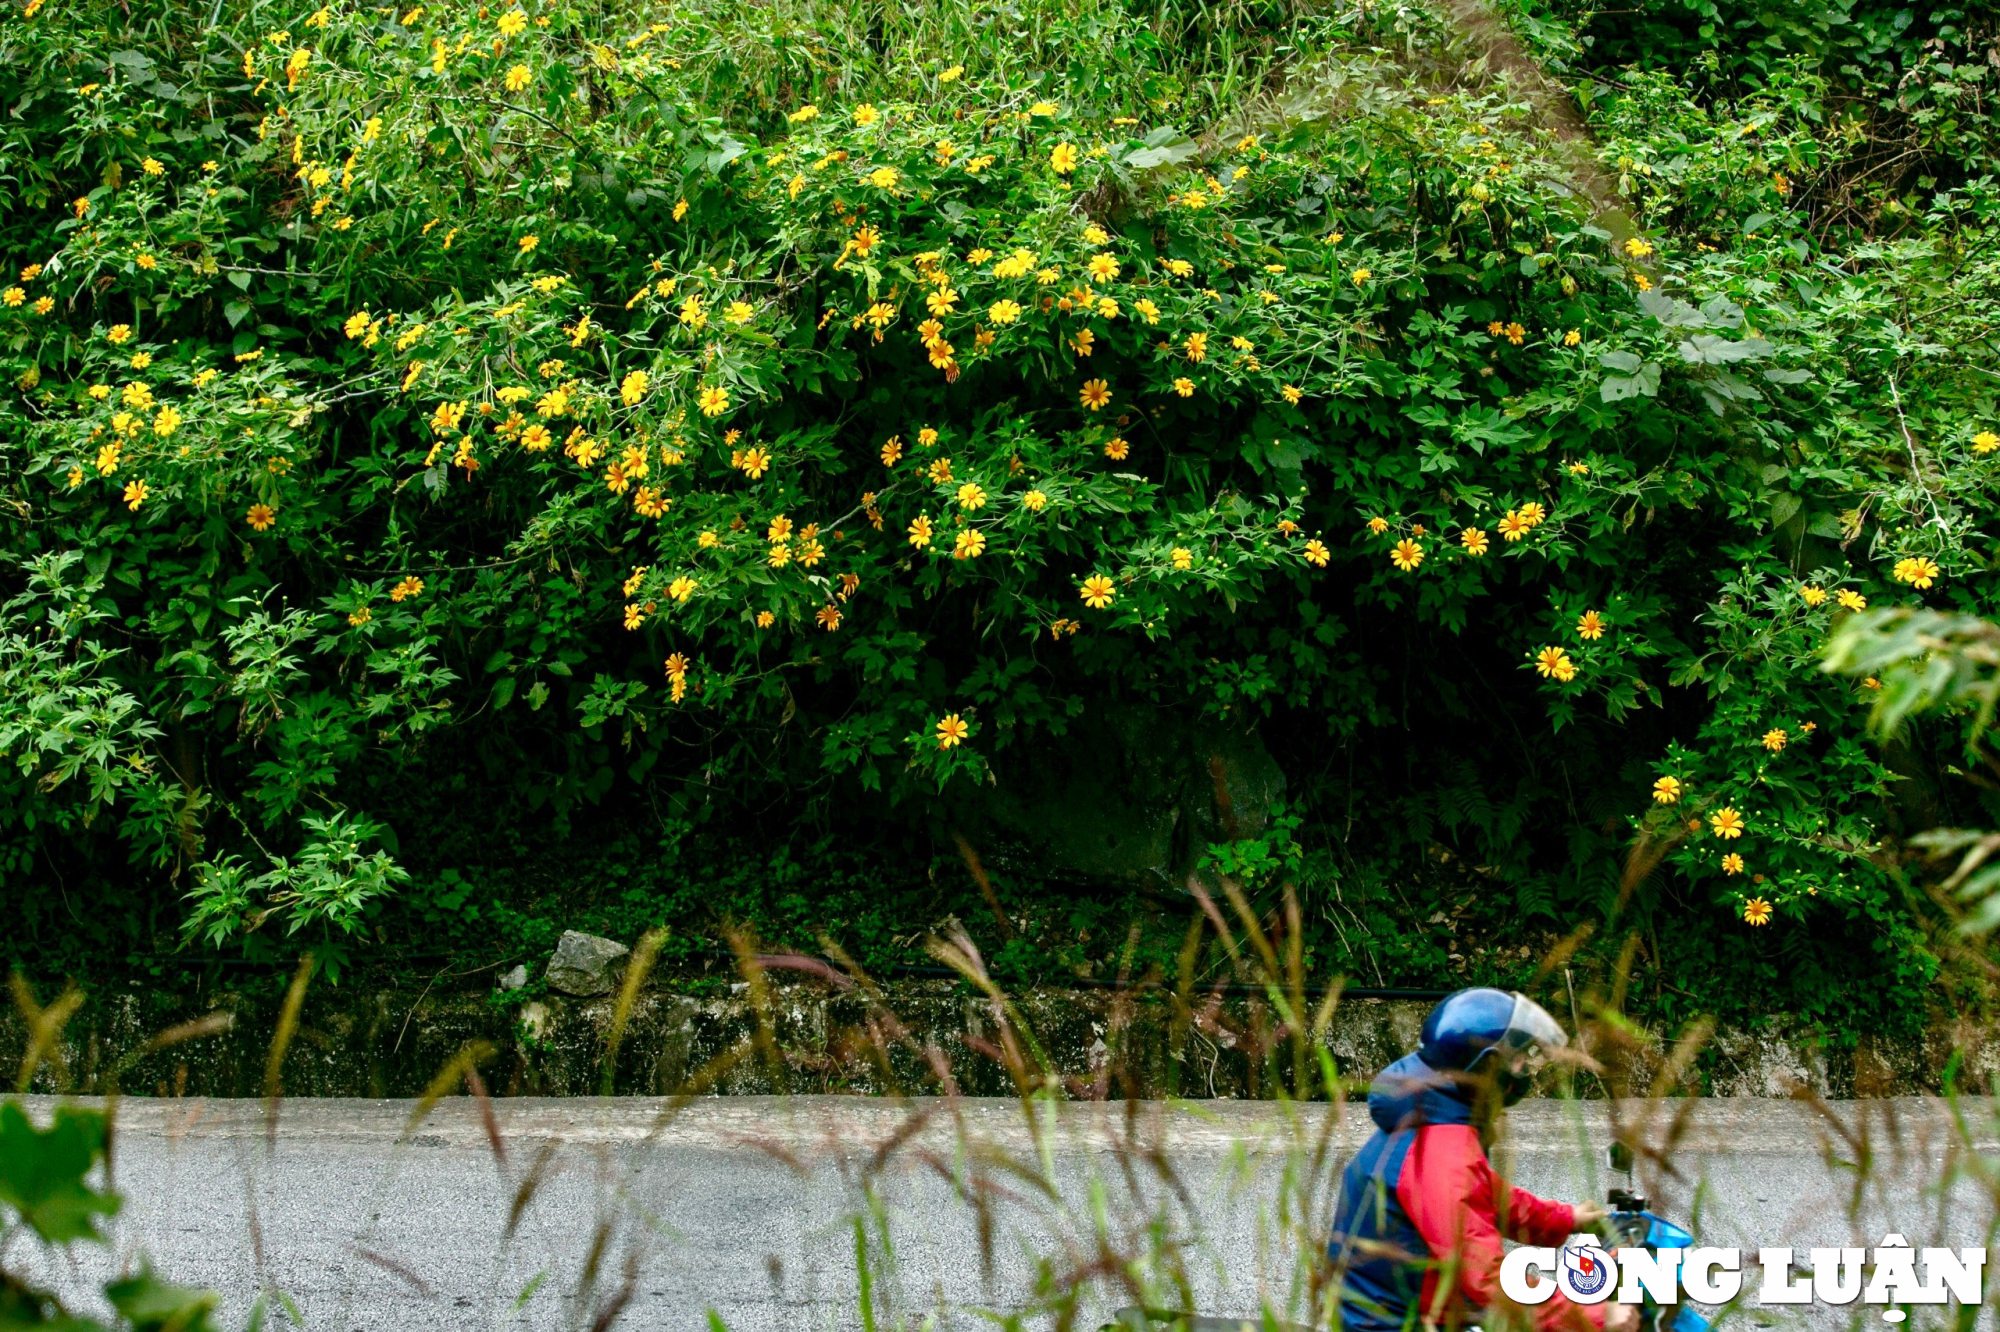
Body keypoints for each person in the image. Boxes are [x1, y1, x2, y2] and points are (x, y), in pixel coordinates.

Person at [1326, 988, 1638, 1332]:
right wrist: (1595, 1317)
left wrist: (1566, 1219)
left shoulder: (1429, 1116)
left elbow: (1485, 1194)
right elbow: (1488, 1280)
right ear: (1489, 1065)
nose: (1526, 1070)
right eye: (1519, 1059)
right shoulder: (1441, 1152)